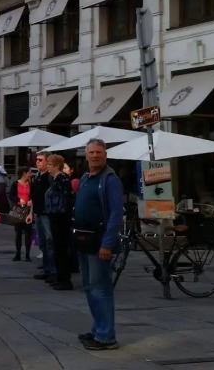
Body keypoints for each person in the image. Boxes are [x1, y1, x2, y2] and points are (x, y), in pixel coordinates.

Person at [75, 139, 123, 351]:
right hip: (84, 240)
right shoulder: (86, 177)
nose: (95, 155)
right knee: (89, 287)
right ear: (86, 155)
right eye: (91, 152)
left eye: (99, 152)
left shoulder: (110, 180)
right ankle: (97, 329)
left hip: (100, 242)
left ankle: (106, 336)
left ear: (105, 155)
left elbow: (116, 214)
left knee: (100, 288)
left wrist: (108, 244)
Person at [46, 155, 75, 290]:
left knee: (61, 247)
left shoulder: (62, 178)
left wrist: (66, 212)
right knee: (58, 248)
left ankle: (65, 279)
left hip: (61, 217)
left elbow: (68, 196)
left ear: (57, 165)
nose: (48, 167)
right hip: (55, 215)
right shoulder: (55, 179)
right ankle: (60, 277)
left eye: (50, 164)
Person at [28, 154, 55, 282]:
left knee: (50, 241)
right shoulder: (37, 177)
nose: (37, 162)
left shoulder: (49, 178)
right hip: (38, 213)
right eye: (37, 160)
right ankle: (46, 268)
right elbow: (33, 197)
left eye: (40, 160)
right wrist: (31, 213)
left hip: (46, 213)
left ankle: (52, 270)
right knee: (42, 242)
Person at [8, 167, 33, 261]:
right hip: (19, 209)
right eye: (29, 173)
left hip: (28, 210)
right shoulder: (16, 184)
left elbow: (32, 195)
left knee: (28, 233)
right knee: (18, 232)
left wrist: (31, 201)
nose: (30, 174)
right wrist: (18, 200)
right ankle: (18, 253)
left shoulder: (30, 184)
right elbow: (11, 195)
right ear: (24, 173)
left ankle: (27, 254)